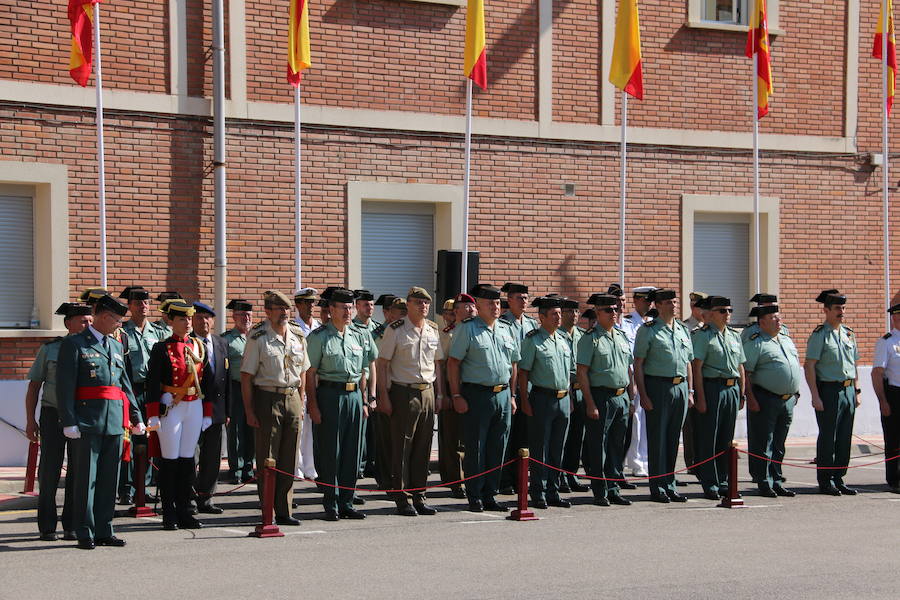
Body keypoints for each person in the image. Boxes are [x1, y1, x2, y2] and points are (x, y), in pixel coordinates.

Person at [58, 294, 144, 549]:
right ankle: (85, 531)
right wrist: (69, 420)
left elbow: (124, 385)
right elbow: (65, 386)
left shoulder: (116, 346)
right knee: (86, 480)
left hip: (114, 421)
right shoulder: (75, 344)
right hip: (87, 421)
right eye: (117, 320)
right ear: (104, 317)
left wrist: (136, 417)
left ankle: (105, 529)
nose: (119, 325)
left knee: (109, 479)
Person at [447, 283, 520, 513]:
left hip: (503, 395)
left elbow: (513, 364)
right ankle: (475, 495)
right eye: (490, 303)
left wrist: (512, 395)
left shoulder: (506, 329)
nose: (495, 307)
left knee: (498, 447)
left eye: (497, 303)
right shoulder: (467, 329)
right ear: (478, 305)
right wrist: (456, 395)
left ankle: (491, 494)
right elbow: (453, 363)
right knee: (476, 447)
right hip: (477, 395)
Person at [306, 288, 377, 521]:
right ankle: (331, 502)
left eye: (350, 308)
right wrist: (313, 405)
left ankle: (347, 501)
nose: (348, 312)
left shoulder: (358, 334)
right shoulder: (319, 337)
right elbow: (310, 374)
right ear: (331, 309)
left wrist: (365, 400)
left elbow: (364, 369)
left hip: (354, 396)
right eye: (343, 308)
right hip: (330, 395)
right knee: (330, 452)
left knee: (352, 452)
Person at [241, 290, 309, 525]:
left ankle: (284, 509)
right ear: (268, 312)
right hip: (267, 398)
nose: (284, 313)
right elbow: (246, 376)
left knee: (289, 456)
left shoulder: (297, 335)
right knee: (268, 457)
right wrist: (249, 410)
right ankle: (267, 509)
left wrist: (301, 401)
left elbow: (303, 371)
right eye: (279, 309)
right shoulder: (258, 336)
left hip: (292, 397)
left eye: (286, 309)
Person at [25, 302, 92, 541]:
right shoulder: (51, 349)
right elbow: (34, 386)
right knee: (49, 470)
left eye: (90, 321)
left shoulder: (93, 348)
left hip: (81, 415)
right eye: (83, 321)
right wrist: (30, 421)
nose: (88, 325)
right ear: (68, 323)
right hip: (53, 414)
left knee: (77, 471)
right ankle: (47, 526)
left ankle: (71, 525)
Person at [376, 287, 443, 516]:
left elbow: (437, 364)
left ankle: (419, 495)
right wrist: (383, 396)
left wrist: (440, 394)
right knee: (402, 447)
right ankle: (402, 498)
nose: (423, 306)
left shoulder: (432, 329)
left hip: (427, 392)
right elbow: (382, 364)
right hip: (403, 392)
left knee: (423, 447)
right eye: (418, 302)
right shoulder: (396, 329)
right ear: (409, 305)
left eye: (426, 303)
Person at [146, 301, 211, 530]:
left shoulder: (198, 346)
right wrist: (153, 413)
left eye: (189, 319)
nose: (187, 323)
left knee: (187, 461)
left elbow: (208, 381)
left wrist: (208, 411)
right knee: (170, 461)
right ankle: (169, 513)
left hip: (194, 405)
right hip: (171, 405)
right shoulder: (161, 348)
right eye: (182, 319)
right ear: (171, 321)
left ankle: (185, 510)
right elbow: (152, 382)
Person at [633, 289, 693, 503]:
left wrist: (690, 391)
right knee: (658, 439)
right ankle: (658, 486)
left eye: (674, 302)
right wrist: (643, 394)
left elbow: (688, 362)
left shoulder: (682, 329)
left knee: (673, 439)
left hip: (680, 388)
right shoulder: (648, 330)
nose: (673, 305)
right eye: (668, 302)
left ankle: (670, 484)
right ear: (657, 305)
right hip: (658, 387)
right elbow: (638, 364)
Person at [577, 293, 635, 506]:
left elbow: (628, 369)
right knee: (598, 446)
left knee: (616, 446)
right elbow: (582, 372)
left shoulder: (620, 336)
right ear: (597, 313)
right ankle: (600, 490)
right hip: (600, 396)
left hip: (621, 396)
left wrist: (630, 398)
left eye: (616, 309)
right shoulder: (590, 338)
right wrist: (590, 403)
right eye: (608, 310)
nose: (614, 313)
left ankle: (613, 487)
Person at [519, 296, 573, 509]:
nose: (558, 317)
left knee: (557, 448)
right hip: (542, 398)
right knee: (540, 447)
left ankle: (553, 491)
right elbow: (524, 372)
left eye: (559, 313)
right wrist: (524, 400)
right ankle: (538, 492)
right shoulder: (533, 340)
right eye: (553, 314)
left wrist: (569, 398)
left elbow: (569, 373)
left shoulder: (563, 339)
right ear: (541, 317)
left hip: (563, 399)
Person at [690, 296, 747, 500]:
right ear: (711, 314)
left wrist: (742, 393)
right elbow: (697, 368)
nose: (727, 314)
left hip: (731, 389)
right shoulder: (703, 336)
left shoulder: (734, 336)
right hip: (712, 388)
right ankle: (710, 482)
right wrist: (700, 397)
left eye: (730, 310)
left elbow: (740, 366)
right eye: (723, 311)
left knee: (726, 438)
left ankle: (724, 481)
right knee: (709, 438)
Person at [805, 289, 860, 496]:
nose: (841, 312)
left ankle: (839, 477)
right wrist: (815, 395)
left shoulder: (848, 333)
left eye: (843, 308)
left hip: (848, 390)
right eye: (837, 308)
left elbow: (854, 364)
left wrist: (857, 391)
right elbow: (809, 366)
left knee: (845, 437)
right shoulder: (820, 334)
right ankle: (826, 480)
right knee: (829, 437)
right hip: (829, 390)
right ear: (826, 310)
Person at [743, 304, 800, 497]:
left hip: (787, 399)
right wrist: (750, 397)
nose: (778, 320)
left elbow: (793, 366)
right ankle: (764, 481)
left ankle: (777, 480)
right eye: (773, 318)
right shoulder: (756, 342)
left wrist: (796, 392)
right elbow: (746, 373)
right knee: (764, 443)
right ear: (762, 322)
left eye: (778, 317)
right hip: (765, 398)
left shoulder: (786, 340)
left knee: (779, 444)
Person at [117, 286, 166, 505]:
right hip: (132, 390)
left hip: (152, 391)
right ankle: (126, 488)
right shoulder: (122, 332)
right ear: (130, 306)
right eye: (138, 303)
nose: (143, 306)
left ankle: (142, 486)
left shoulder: (158, 332)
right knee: (130, 439)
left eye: (146, 303)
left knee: (148, 439)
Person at [191, 302, 231, 514]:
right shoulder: (188, 342)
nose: (204, 321)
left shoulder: (221, 342)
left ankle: (206, 497)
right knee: (192, 455)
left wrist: (227, 411)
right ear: (192, 320)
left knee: (212, 456)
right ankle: (189, 497)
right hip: (194, 407)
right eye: (199, 317)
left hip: (216, 409)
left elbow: (226, 379)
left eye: (207, 317)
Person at [499, 282, 538, 494]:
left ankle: (519, 479)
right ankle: (504, 479)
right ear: (509, 300)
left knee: (524, 435)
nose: (523, 301)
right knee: (508, 434)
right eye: (519, 298)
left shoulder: (531, 324)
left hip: (528, 386)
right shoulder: (502, 324)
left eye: (525, 298)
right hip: (509, 385)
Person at [436, 294, 474, 499]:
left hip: (469, 388)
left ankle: (467, 477)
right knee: (452, 438)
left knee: (467, 438)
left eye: (453, 313)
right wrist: (443, 393)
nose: (451, 317)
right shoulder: (445, 334)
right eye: (448, 313)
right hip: (452, 388)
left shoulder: (470, 329)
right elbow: (442, 366)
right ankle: (455, 480)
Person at [623, 286, 656, 478]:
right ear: (636, 301)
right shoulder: (628, 323)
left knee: (648, 422)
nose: (649, 304)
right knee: (636, 421)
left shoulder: (654, 323)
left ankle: (646, 459)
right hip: (636, 378)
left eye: (651, 301)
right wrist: (632, 382)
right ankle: (636, 461)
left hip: (653, 377)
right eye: (645, 300)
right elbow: (629, 356)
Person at [560, 296, 591, 494]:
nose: (574, 315)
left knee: (577, 436)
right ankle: (559, 475)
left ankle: (571, 474)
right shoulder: (556, 334)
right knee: (563, 437)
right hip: (565, 389)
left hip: (580, 390)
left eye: (576, 311)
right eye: (569, 311)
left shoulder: (582, 335)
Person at [222, 299, 255, 484]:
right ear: (234, 316)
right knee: (235, 430)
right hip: (235, 388)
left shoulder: (257, 338)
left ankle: (249, 468)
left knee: (252, 428)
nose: (246, 318)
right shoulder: (226, 340)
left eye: (248, 315)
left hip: (254, 389)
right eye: (242, 315)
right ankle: (236, 469)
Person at [872, 303, 900, 494]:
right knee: (894, 439)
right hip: (895, 394)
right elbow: (877, 373)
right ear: (895, 318)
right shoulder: (887, 342)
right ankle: (895, 479)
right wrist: (882, 400)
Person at [352, 289, 379, 487]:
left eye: (371, 304)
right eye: (365, 304)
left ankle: (372, 463)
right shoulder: (353, 328)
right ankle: (359, 466)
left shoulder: (377, 328)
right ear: (357, 306)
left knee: (375, 430)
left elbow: (374, 362)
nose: (369, 308)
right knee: (360, 430)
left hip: (373, 384)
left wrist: (373, 394)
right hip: (358, 384)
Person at [680, 291, 707, 476]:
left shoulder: (710, 327)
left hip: (707, 380)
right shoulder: (685, 327)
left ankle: (705, 460)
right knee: (690, 425)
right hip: (691, 381)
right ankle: (692, 462)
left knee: (706, 424)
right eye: (696, 306)